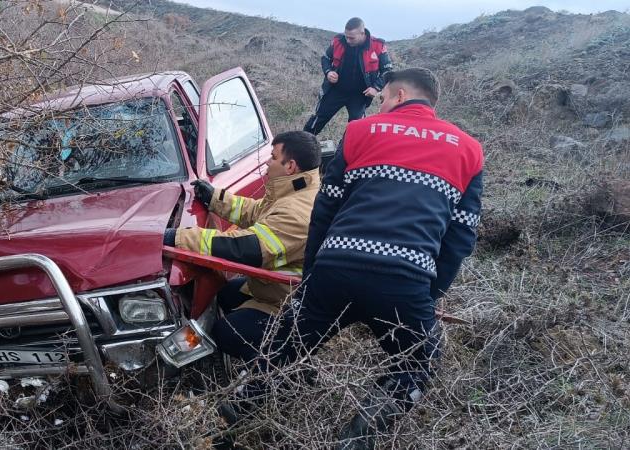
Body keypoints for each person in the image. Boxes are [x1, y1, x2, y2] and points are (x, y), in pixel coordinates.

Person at [276, 68, 483, 449]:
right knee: (419, 362)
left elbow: (325, 208)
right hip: (405, 281)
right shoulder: (469, 150)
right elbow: (461, 235)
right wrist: (430, 292)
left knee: (284, 348)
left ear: (399, 96)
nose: (380, 104)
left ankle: (231, 419)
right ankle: (357, 440)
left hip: (335, 267)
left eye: (384, 98)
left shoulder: (359, 131)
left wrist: (312, 276)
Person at [163, 131, 321, 364]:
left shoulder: (298, 211)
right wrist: (215, 198)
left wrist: (177, 237)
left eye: (273, 157)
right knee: (225, 293)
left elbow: (246, 248)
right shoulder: (295, 190)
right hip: (275, 290)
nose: (267, 162)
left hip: (291, 304)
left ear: (290, 166)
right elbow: (255, 212)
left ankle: (273, 371)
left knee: (227, 333)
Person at [303, 17, 393, 136]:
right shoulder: (338, 41)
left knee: (356, 128)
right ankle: (301, 145)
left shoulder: (377, 45)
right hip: (335, 90)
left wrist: (376, 88)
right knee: (317, 119)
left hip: (360, 95)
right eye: (347, 36)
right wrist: (328, 72)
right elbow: (326, 58)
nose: (348, 40)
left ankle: (345, 151)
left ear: (362, 33)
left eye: (352, 38)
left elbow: (387, 70)